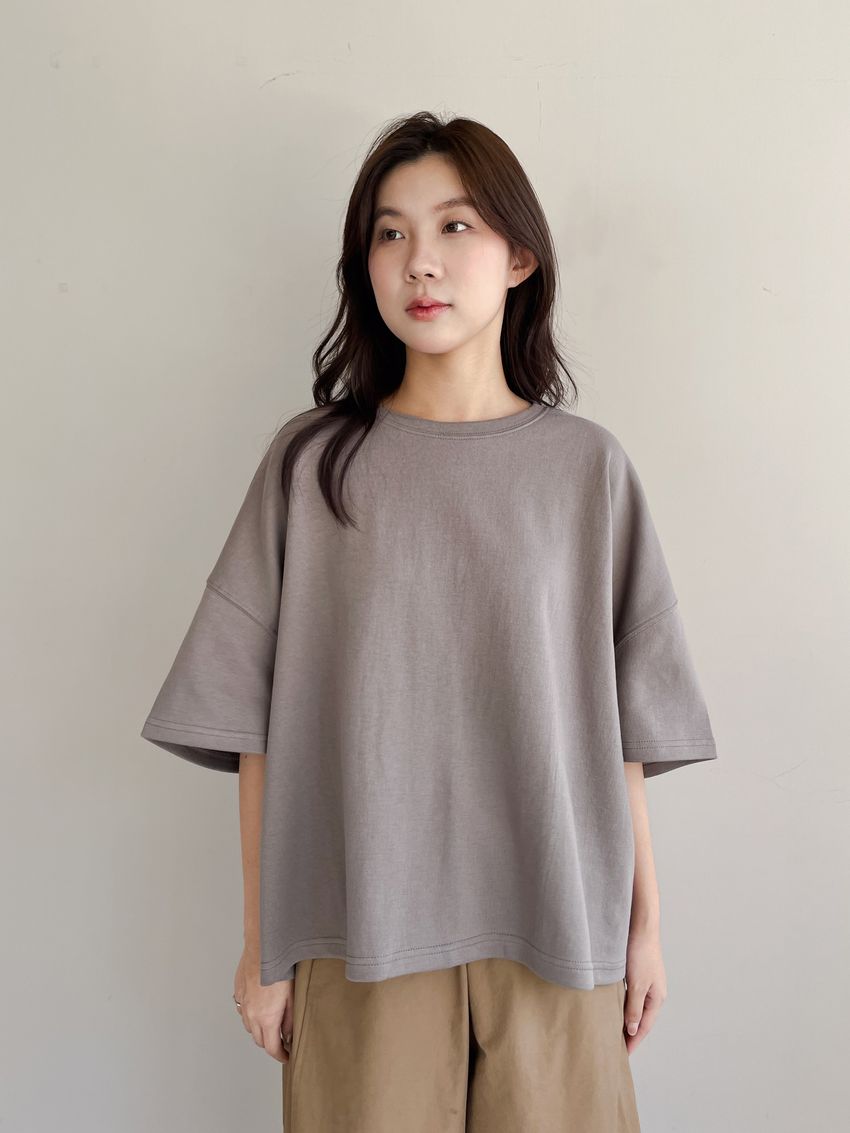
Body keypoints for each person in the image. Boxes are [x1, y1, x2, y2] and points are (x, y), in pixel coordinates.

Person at [140, 111, 718, 1132]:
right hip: (357, 931)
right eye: (390, 232)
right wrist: (264, 944)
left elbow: (621, 728)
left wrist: (645, 928)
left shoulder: (586, 469)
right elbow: (250, 723)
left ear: (519, 256)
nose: (420, 261)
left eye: (454, 226)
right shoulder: (311, 465)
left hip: (557, 926)